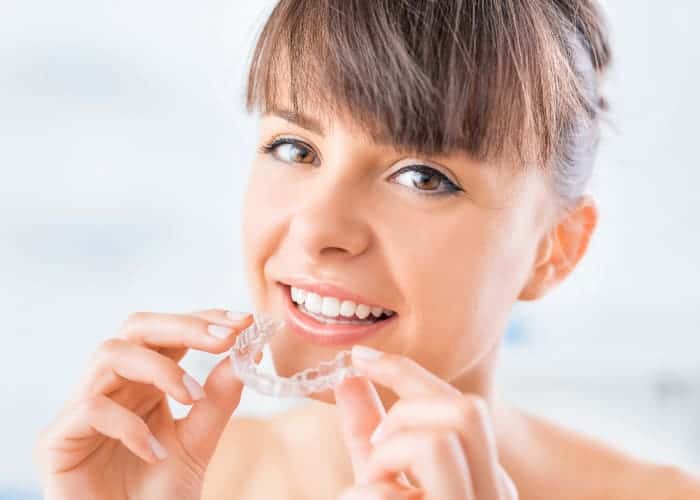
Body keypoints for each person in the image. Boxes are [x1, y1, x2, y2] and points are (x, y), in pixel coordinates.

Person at [35, 1, 700, 498]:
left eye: (423, 177)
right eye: (295, 148)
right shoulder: (172, 478)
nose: (318, 228)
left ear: (552, 249)